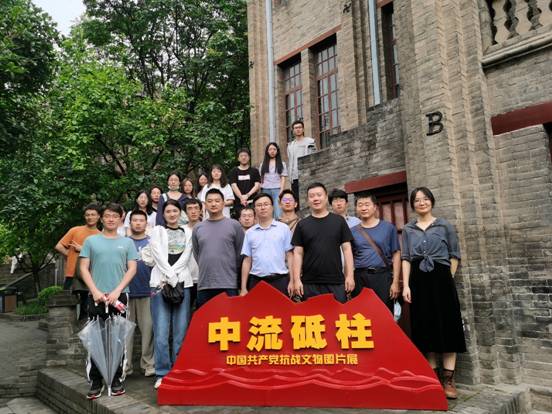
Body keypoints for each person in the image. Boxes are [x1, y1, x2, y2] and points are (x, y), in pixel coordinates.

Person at [401, 187, 465, 400]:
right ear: (412, 205)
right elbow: (406, 258)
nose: (422, 203)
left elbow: (454, 255)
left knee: (448, 327)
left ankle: (449, 380)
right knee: (424, 327)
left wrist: (448, 277)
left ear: (432, 201)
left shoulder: (444, 225)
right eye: (417, 200)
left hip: (442, 279)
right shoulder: (408, 229)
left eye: (425, 199)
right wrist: (406, 285)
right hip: (418, 281)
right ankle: (433, 379)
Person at [79, 203, 138, 399]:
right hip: (96, 297)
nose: (111, 219)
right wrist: (94, 291)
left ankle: (116, 379)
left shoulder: (127, 243)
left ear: (121, 219)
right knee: (95, 340)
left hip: (119, 296)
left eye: (115, 216)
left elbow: (132, 269)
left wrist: (117, 291)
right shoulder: (91, 241)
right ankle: (96, 381)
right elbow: (83, 268)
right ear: (101, 218)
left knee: (118, 339)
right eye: (107, 216)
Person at [141, 200, 193, 390]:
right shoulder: (157, 231)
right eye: (168, 211)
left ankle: (178, 370)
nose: (172, 214)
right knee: (161, 333)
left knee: (180, 333)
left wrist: (174, 276)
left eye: (175, 211)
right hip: (160, 284)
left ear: (180, 213)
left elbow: (186, 256)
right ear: (163, 214)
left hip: (183, 283)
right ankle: (162, 372)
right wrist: (170, 277)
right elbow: (158, 255)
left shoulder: (188, 232)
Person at [291, 183, 354, 303]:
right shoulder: (302, 224)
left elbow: (347, 249)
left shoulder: (339, 221)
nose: (315, 198)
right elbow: (298, 253)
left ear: (325, 197)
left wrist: (350, 276)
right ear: (308, 200)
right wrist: (296, 279)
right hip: (309, 283)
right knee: (312, 314)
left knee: (337, 314)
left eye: (319, 195)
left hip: (336, 282)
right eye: (312, 196)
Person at [192, 189, 244, 308]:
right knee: (206, 318)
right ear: (205, 204)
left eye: (217, 201)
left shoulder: (234, 225)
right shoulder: (198, 228)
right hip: (205, 284)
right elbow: (197, 254)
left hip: (228, 283)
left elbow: (239, 252)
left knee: (229, 318)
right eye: (209, 201)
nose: (213, 204)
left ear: (223, 203)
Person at [350, 193, 401, 312]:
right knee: (361, 314)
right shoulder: (352, 231)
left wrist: (395, 282)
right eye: (360, 205)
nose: (363, 208)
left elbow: (396, 254)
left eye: (367, 204)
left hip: (382, 276)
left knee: (384, 313)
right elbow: (349, 257)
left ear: (375, 207)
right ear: (356, 208)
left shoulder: (388, 228)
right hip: (360, 277)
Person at [240, 193, 294, 297]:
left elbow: (290, 255)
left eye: (266, 204)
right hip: (256, 281)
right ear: (255, 209)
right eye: (259, 205)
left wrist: (292, 281)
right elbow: (247, 260)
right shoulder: (250, 233)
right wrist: (243, 288)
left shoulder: (283, 229)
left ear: (272, 207)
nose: (263, 208)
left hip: (280, 280)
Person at [55, 204, 101, 319]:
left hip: (90, 275)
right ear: (84, 217)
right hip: (71, 274)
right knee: (66, 305)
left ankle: (83, 327)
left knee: (86, 308)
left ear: (98, 217)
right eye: (87, 215)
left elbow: (101, 257)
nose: (90, 217)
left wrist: (83, 250)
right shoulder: (75, 230)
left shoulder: (101, 236)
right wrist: (70, 254)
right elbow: (59, 246)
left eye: (93, 215)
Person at [125, 210, 155, 378]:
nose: (138, 223)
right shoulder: (123, 242)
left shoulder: (152, 242)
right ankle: (126, 366)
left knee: (148, 331)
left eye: (141, 220)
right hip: (126, 292)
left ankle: (148, 365)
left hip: (147, 292)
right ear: (130, 223)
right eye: (134, 220)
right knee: (126, 333)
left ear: (146, 223)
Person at [287, 120, 316, 208]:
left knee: (309, 197)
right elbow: (290, 161)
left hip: (307, 174)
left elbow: (314, 157)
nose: (298, 129)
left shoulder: (310, 142)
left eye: (300, 127)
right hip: (295, 176)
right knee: (297, 200)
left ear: (303, 129)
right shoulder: (290, 145)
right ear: (293, 130)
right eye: (296, 128)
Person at [228, 148, 261, 218]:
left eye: (245, 155)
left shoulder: (254, 171)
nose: (243, 157)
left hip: (252, 202)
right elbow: (233, 185)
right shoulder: (233, 171)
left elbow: (257, 185)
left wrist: (247, 195)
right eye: (241, 156)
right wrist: (241, 198)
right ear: (238, 158)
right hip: (238, 202)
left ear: (249, 157)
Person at [259, 142, 287, 219]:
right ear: (267, 151)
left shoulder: (282, 164)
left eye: (274, 149)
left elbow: (283, 178)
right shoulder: (262, 164)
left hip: (277, 189)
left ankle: (278, 224)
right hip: (265, 189)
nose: (272, 151)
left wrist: (281, 190)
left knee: (278, 212)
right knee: (267, 211)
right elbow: (261, 178)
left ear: (277, 151)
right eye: (270, 149)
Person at [184, 198, 202, 309]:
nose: (193, 211)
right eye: (190, 209)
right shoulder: (181, 230)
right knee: (185, 312)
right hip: (186, 279)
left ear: (201, 210)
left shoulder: (207, 228)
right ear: (185, 212)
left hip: (203, 278)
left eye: (196, 208)